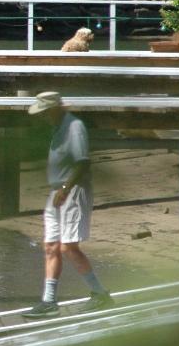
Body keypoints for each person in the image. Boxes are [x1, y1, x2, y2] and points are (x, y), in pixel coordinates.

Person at [24, 91, 113, 318]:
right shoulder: (57, 128)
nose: (42, 117)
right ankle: (49, 301)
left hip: (73, 191)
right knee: (51, 247)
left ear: (53, 109)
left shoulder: (74, 127)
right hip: (57, 192)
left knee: (68, 247)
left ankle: (100, 294)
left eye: (44, 112)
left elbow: (83, 162)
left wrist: (65, 189)